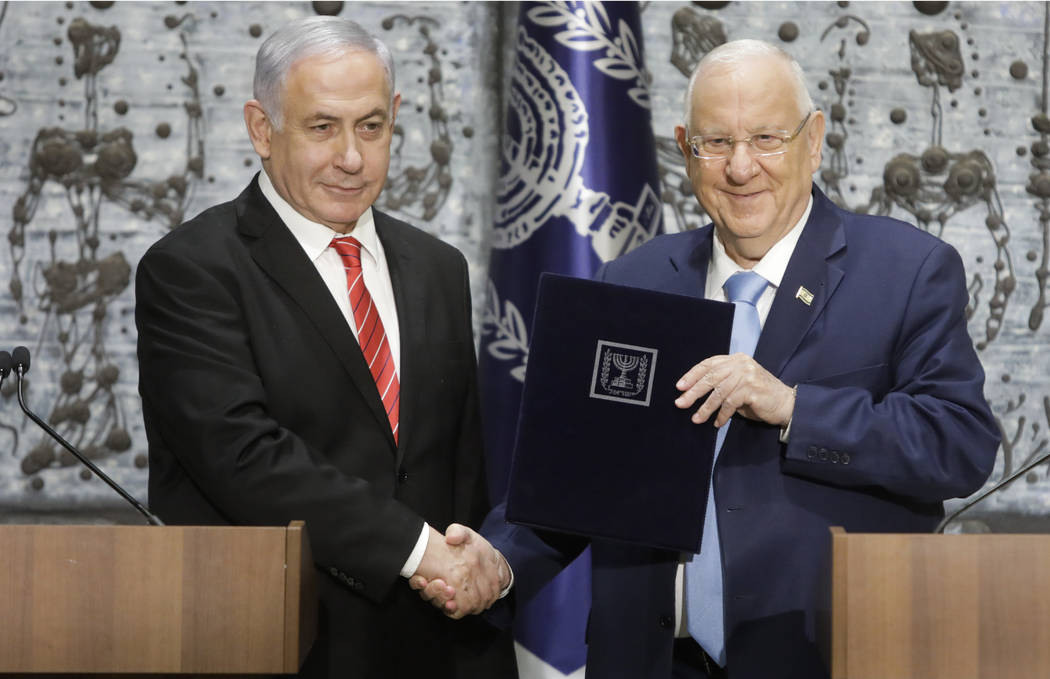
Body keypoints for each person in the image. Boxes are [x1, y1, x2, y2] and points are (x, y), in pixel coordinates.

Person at [414, 39, 1000, 679]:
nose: (740, 167)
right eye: (715, 142)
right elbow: (576, 476)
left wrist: (792, 407)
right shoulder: (631, 281)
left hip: (827, 657)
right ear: (685, 149)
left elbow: (959, 445)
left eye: (767, 139)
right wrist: (497, 563)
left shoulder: (906, 272)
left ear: (814, 140)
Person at [135, 16, 516, 679]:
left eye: (371, 126)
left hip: (432, 651)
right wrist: (421, 549)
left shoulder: (437, 267)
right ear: (262, 128)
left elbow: (459, 473)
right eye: (322, 127)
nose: (351, 156)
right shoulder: (192, 269)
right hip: (274, 642)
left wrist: (477, 578)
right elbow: (243, 458)